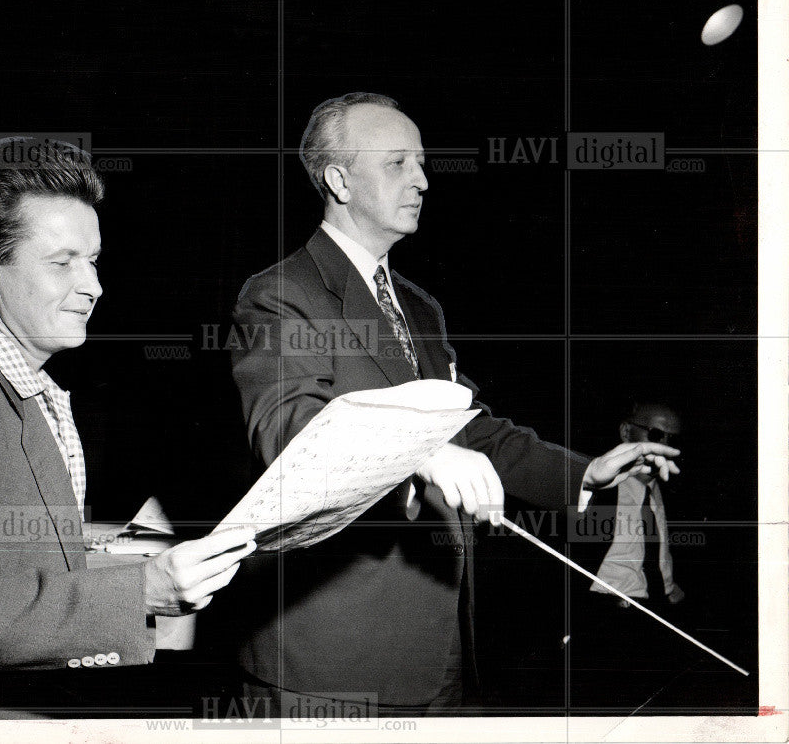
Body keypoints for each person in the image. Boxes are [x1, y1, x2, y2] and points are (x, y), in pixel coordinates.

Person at [228, 93, 679, 715]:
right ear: (338, 180)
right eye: (397, 163)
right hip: (332, 664)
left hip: (440, 643)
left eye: (421, 162)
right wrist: (425, 452)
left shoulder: (420, 307)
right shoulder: (283, 293)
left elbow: (474, 432)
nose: (422, 178)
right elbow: (290, 430)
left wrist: (585, 470)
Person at [0, 138, 255, 719]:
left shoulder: (16, 382)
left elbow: (6, 557)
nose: (94, 286)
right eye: (63, 262)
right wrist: (141, 591)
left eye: (94, 260)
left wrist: (119, 551)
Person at [588, 402, 686, 608]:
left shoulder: (676, 492)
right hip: (604, 606)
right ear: (626, 431)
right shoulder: (596, 489)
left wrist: (670, 587)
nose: (666, 446)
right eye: (657, 434)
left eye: (674, 439)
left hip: (660, 605)